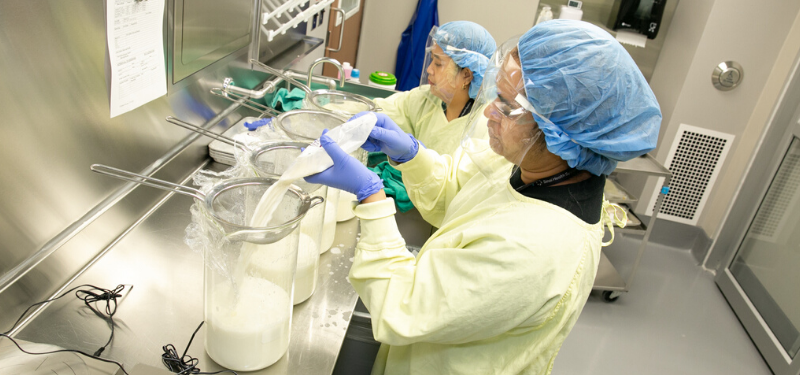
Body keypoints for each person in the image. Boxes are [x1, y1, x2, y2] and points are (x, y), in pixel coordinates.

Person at [306, 20, 661, 375]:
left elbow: (404, 306)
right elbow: (453, 191)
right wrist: (410, 155)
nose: (489, 111)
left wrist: (372, 197)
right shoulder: (529, 161)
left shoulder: (536, 249)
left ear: (558, 132)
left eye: (506, 106)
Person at [375, 21, 496, 156]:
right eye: (431, 60)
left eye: (438, 63)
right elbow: (380, 109)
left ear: (467, 75)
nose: (429, 69)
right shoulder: (425, 99)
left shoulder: (487, 126)